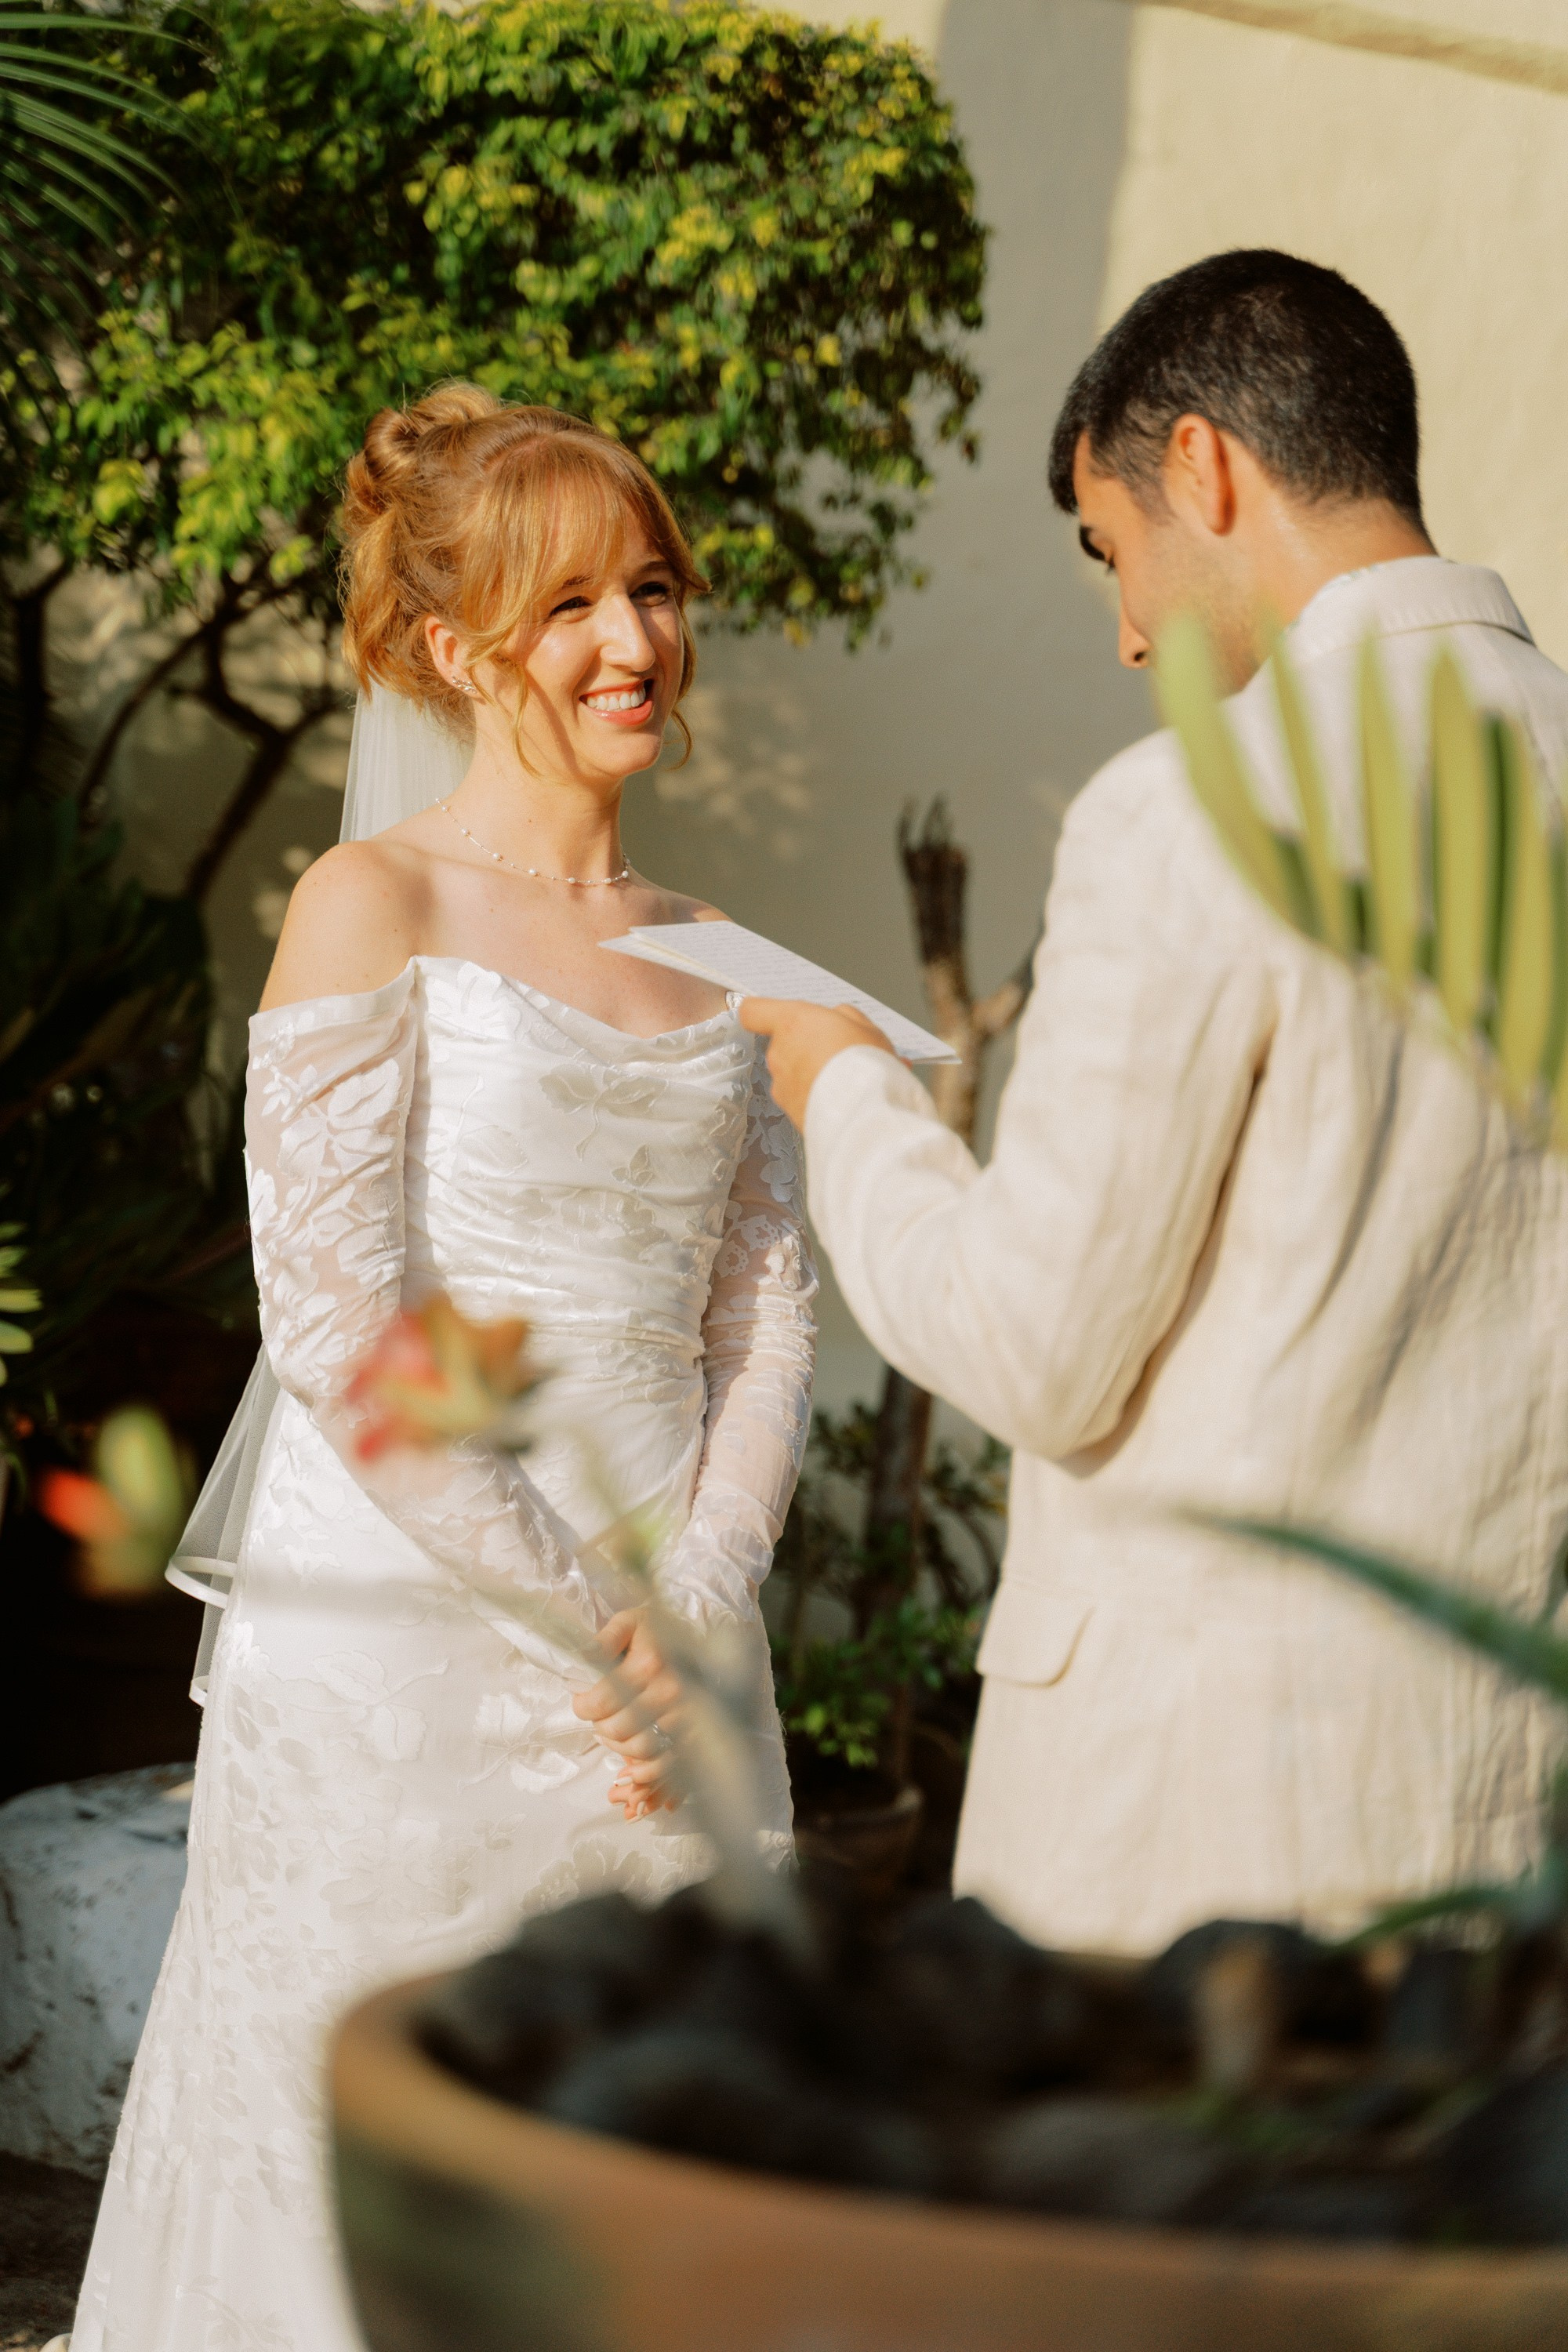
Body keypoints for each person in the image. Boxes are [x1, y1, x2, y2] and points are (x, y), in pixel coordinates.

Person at [66, 390, 816, 2352]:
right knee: (366, 2182)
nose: (633, 642)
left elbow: (768, 1310)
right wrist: (590, 1628)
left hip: (681, 1642)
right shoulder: (366, 903)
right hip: (411, 1639)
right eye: (568, 603)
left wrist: (701, 1605)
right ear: (455, 645)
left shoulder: (732, 958)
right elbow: (336, 1326)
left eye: (650, 587)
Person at [742, 249, 1568, 1958]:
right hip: (1508, 1800)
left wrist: (850, 1104)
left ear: (1202, 467)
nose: (1125, 636)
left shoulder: (1194, 805)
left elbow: (1037, 1345)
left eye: (1111, 553)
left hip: (1200, 1829)